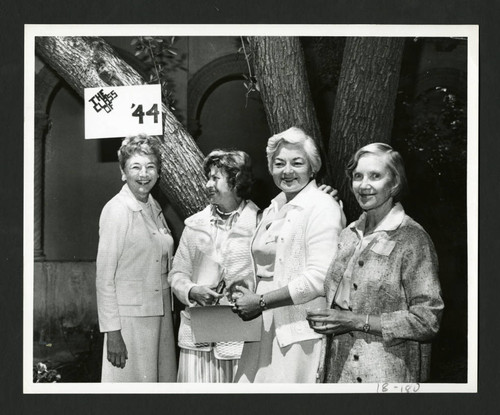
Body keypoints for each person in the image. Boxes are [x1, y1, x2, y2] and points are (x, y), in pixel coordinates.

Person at [307, 143, 444, 383]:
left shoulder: (412, 238)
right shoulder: (348, 234)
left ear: (395, 183)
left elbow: (427, 320)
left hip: (387, 375)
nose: (364, 185)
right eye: (358, 176)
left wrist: (356, 321)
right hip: (339, 372)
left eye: (375, 176)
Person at [233, 126, 345, 383]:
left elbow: (320, 278)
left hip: (298, 329)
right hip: (261, 326)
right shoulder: (273, 208)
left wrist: (260, 302)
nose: (287, 171)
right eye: (279, 163)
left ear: (312, 167)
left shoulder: (322, 206)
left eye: (297, 163)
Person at [168, 150, 260, 382]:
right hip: (197, 337)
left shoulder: (261, 223)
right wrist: (191, 290)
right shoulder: (194, 225)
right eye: (207, 177)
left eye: (215, 178)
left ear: (236, 180)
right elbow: (177, 272)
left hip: (240, 337)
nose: (208, 184)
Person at [96, 134, 176, 382]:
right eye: (135, 167)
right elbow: (104, 278)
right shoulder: (117, 210)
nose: (144, 174)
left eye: (150, 166)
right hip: (130, 323)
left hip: (160, 317)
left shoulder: (153, 206)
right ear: (123, 172)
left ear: (158, 172)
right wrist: (113, 333)